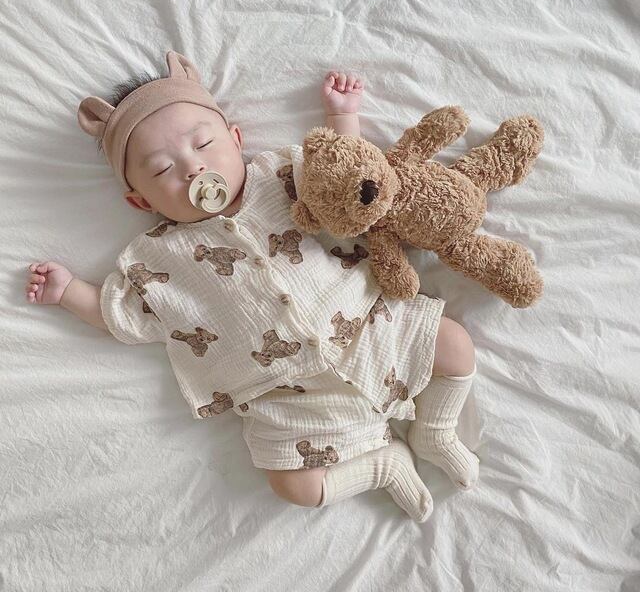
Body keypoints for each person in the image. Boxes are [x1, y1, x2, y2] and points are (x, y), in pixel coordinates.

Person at [24, 51, 478, 523]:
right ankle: (384, 466)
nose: (192, 168)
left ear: (236, 139)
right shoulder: (157, 258)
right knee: (294, 486)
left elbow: (349, 183)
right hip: (284, 393)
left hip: (371, 328)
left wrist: (342, 117)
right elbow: (122, 313)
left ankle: (436, 429)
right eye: (161, 170)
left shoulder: (282, 176)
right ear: (141, 201)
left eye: (204, 144)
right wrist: (68, 291)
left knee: (454, 345)